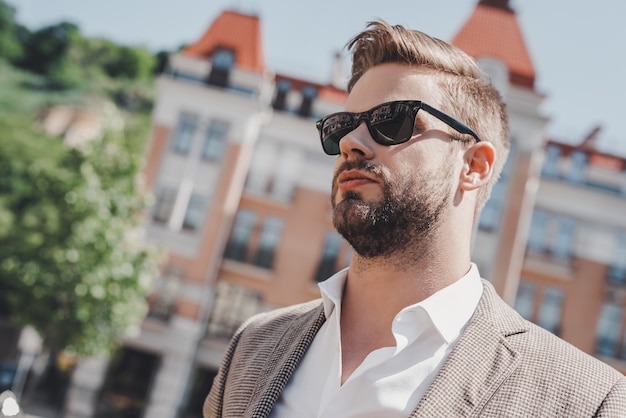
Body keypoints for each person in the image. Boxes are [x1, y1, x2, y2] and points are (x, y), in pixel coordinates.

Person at [204, 21, 626, 417]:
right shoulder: (252, 345)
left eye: (393, 121)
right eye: (341, 126)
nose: (351, 142)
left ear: (474, 166)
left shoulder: (586, 401)